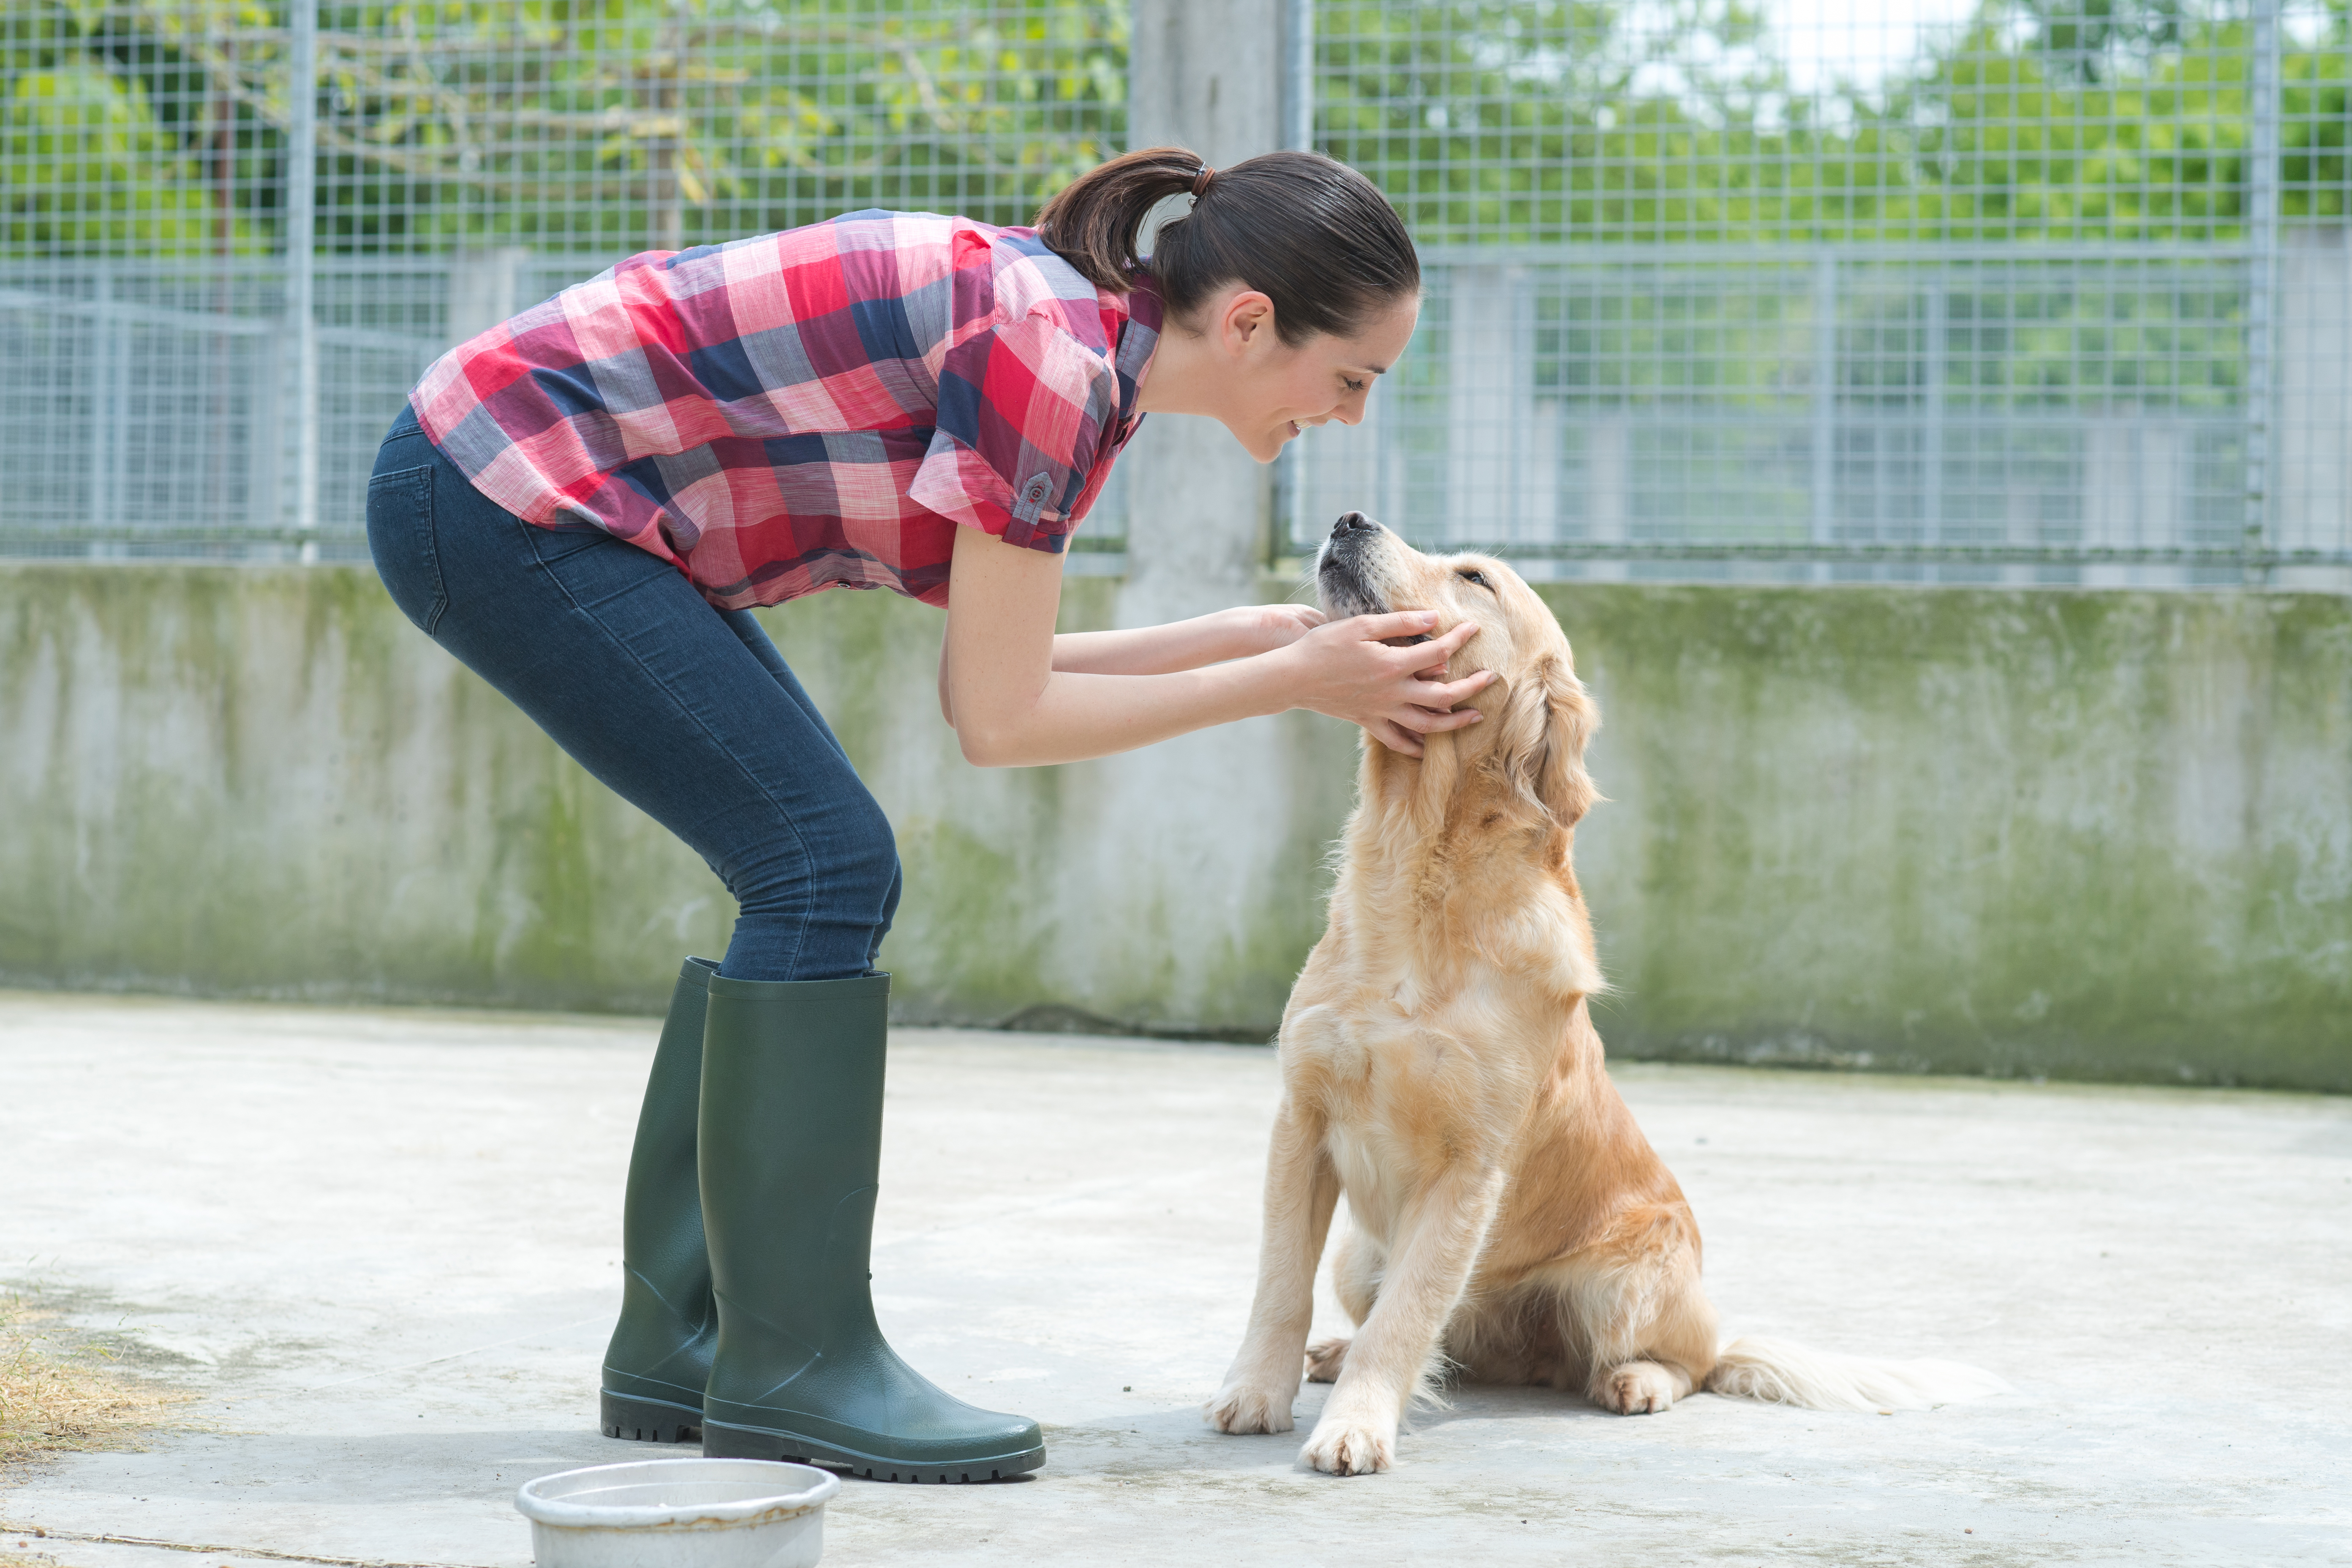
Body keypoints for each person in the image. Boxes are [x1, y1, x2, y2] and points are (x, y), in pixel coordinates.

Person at [364, 145, 1493, 1483]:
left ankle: (687, 1341)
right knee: (820, 863)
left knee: (808, 857)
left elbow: (994, 673)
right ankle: (792, 1364)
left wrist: (1251, 644)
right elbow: (1002, 725)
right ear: (1250, 323)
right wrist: (1287, 680)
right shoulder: (1053, 366)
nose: (1352, 419)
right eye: (1351, 380)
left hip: (541, 495)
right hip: (505, 492)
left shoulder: (1077, 351)